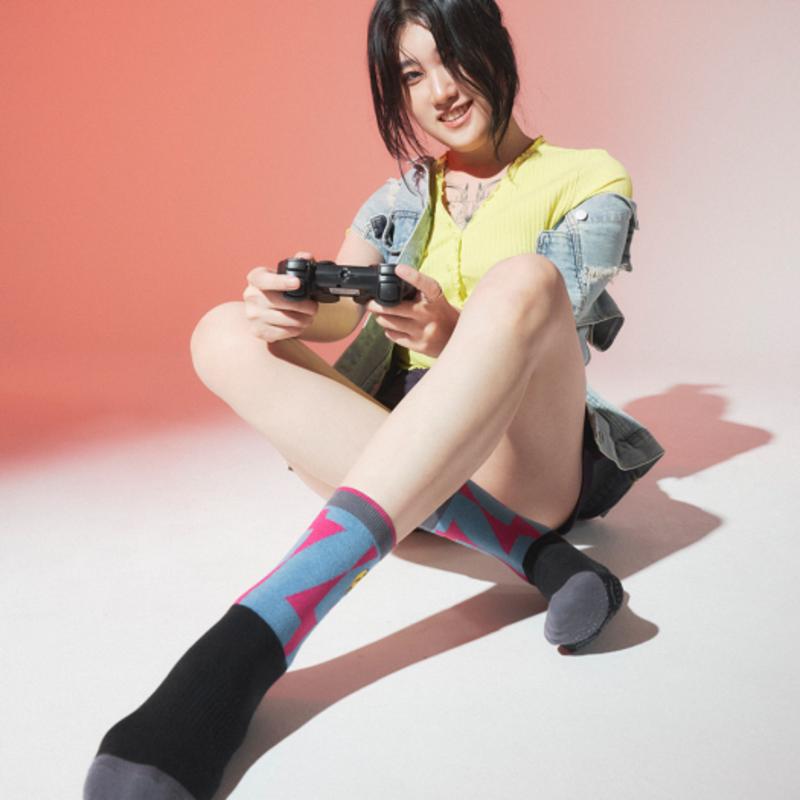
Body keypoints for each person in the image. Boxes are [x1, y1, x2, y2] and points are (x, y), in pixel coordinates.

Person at [83, 1, 665, 798]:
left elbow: (558, 317)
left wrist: (451, 331)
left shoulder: (590, 178)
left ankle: (249, 643)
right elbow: (339, 315)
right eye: (413, 75)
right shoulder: (399, 197)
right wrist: (288, 306)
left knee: (525, 282)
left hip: (518, 456)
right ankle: (539, 558)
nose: (440, 91)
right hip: (398, 456)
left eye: (453, 59)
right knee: (222, 329)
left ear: (495, 47)